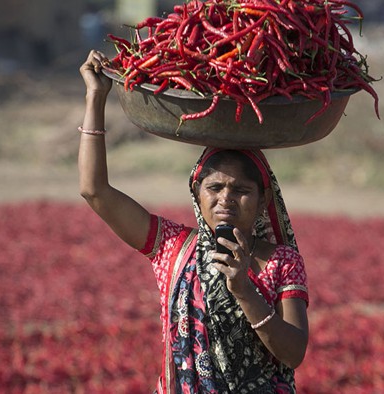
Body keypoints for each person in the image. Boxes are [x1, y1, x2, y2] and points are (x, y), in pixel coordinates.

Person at [77, 49, 310, 393]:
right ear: (197, 194)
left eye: (241, 189)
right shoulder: (172, 247)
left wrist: (244, 290)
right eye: (214, 187)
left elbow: (294, 353)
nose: (225, 199)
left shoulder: (280, 261)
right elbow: (94, 191)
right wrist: (95, 97)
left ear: (263, 202)